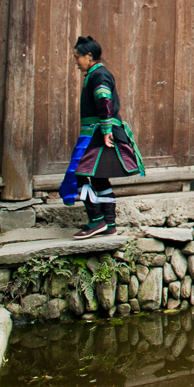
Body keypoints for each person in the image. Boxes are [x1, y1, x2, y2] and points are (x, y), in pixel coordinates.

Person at [61, 36, 144, 239]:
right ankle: (109, 223)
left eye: (77, 57)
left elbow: (104, 99)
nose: (76, 61)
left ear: (89, 56)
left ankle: (96, 220)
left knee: (79, 174)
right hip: (97, 132)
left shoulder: (99, 75)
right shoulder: (95, 74)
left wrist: (106, 129)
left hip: (101, 133)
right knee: (98, 177)